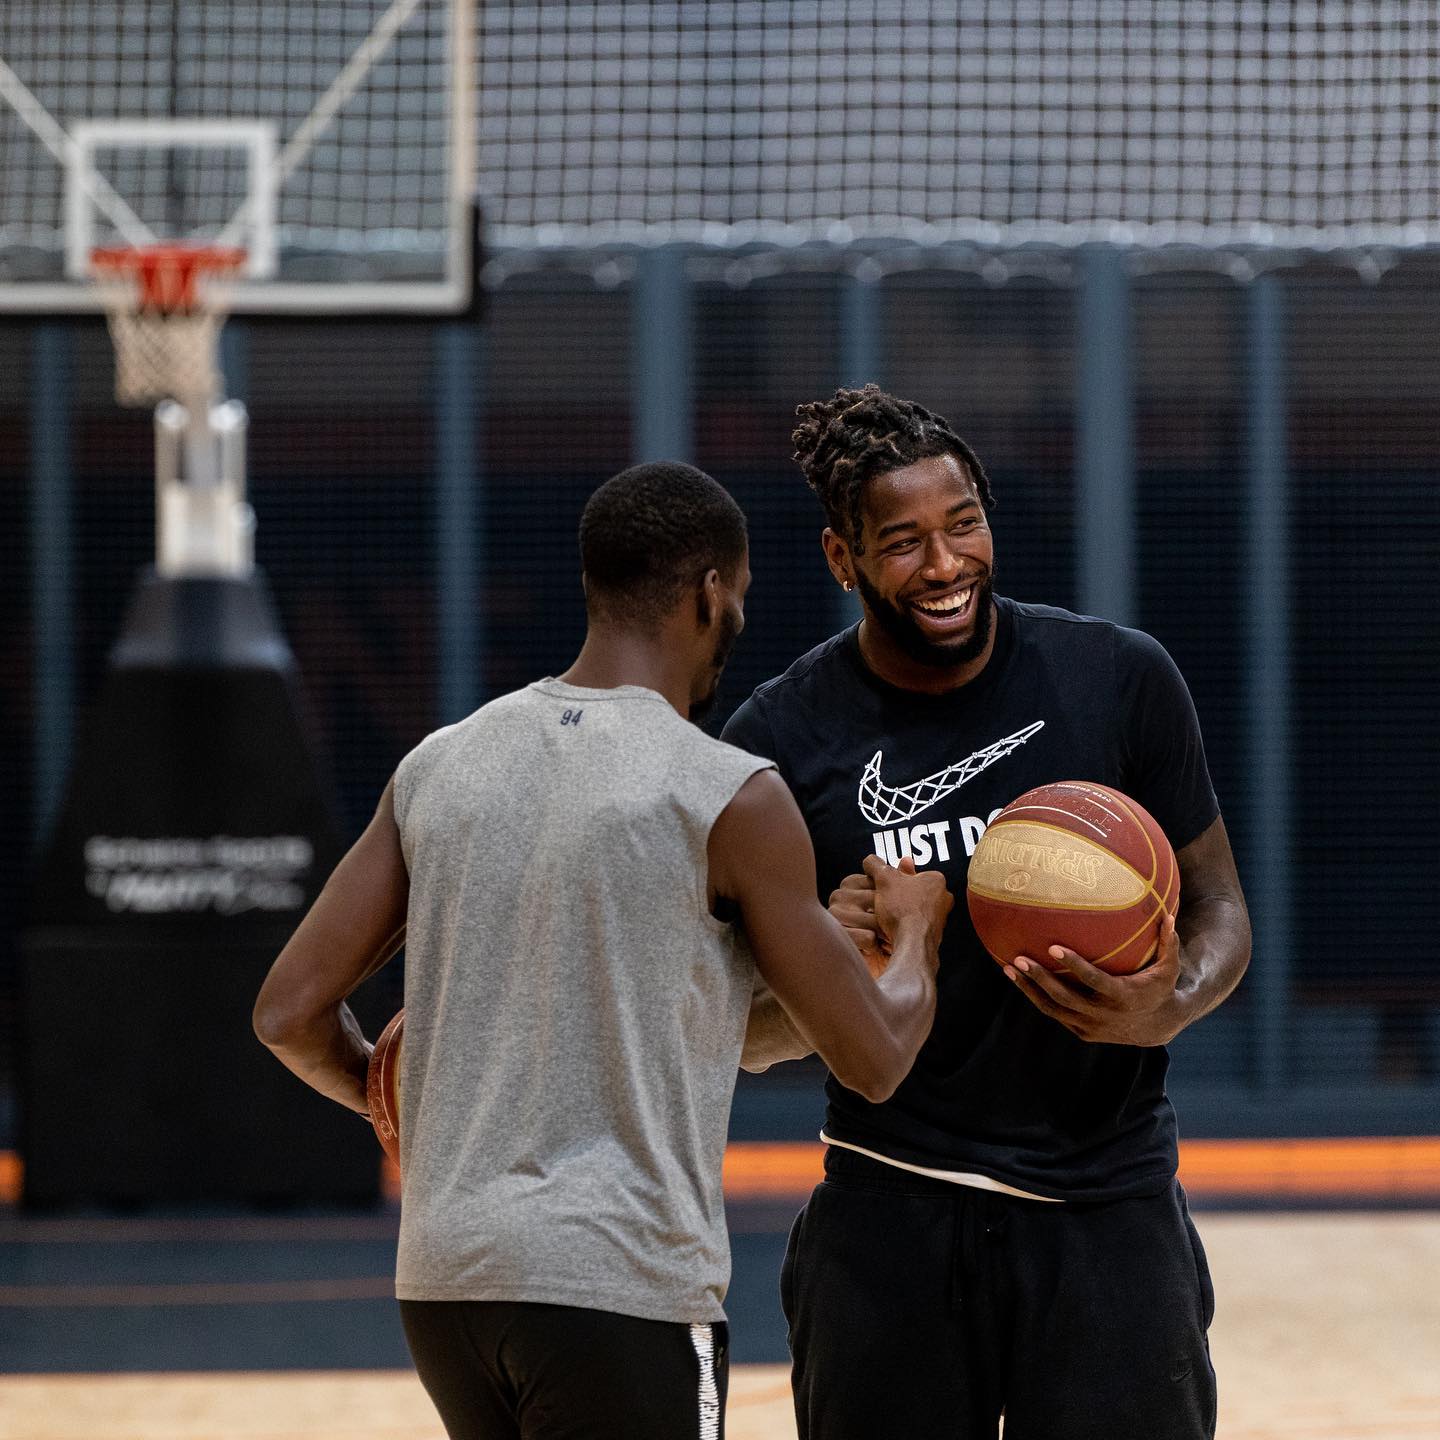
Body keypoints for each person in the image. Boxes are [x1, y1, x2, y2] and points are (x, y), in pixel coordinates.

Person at [252, 460, 951, 1440]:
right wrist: (916, 933)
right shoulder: (728, 791)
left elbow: (286, 1012)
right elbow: (876, 1058)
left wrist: (391, 1092)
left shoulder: (443, 763)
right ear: (712, 594)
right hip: (619, 1288)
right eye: (738, 602)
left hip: (448, 1287)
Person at [722, 387, 1252, 1440]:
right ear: (843, 559)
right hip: (890, 1205)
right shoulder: (778, 740)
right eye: (904, 541)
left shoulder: (1120, 679)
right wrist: (832, 967)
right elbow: (741, 1038)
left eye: (963, 524)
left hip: (1108, 1204)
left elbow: (1223, 910)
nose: (946, 564)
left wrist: (1170, 1002)